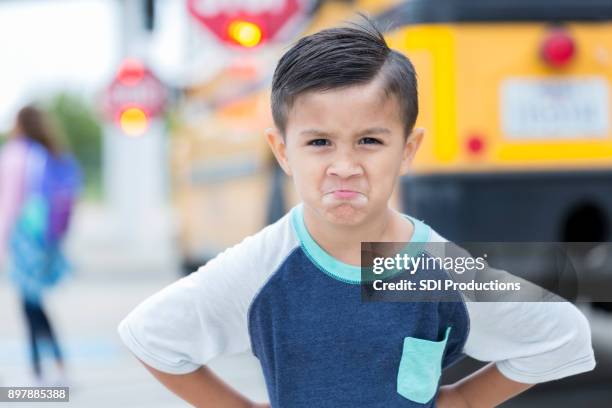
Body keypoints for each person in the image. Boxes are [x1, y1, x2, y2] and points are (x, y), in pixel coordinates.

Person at [118, 19, 595, 408]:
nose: (344, 167)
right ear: (282, 151)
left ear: (408, 150)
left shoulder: (438, 270)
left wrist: (465, 399)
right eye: (319, 142)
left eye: (370, 141)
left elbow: (563, 336)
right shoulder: (262, 267)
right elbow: (149, 336)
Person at [0, 105, 80, 385]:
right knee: (33, 303)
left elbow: (9, 204)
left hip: (23, 237)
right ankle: (55, 368)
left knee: (29, 304)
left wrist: (2, 242)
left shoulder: (15, 154)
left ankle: (40, 372)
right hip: (45, 238)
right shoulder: (50, 153)